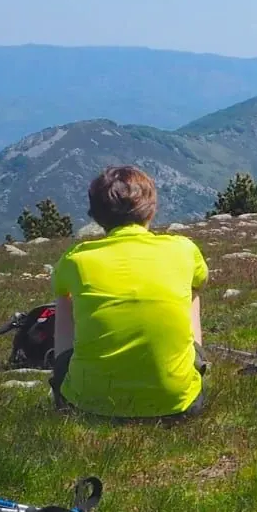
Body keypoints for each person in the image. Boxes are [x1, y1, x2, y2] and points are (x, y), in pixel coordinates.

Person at [49, 166, 210, 418]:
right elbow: (200, 281)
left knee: (64, 297)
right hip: (178, 404)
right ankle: (194, 364)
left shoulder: (76, 259)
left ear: (97, 215)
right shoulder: (183, 249)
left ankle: (62, 372)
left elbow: (59, 289)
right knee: (192, 290)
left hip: (86, 404)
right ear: (151, 209)